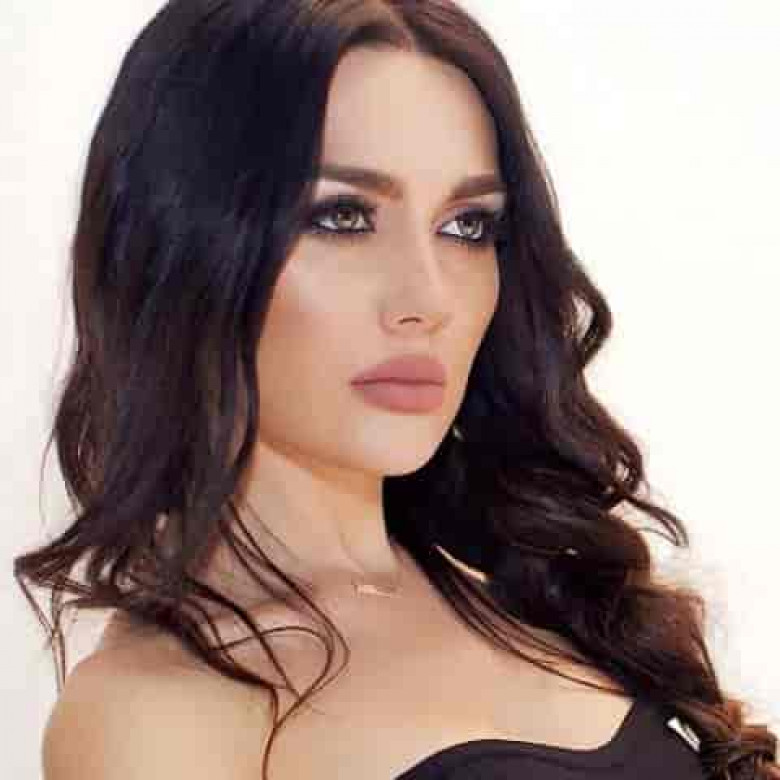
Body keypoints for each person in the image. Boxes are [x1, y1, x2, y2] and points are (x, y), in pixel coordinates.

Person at [13, 2, 778, 779]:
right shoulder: (158, 714)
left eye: (467, 226)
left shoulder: (545, 593)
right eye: (342, 216)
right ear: (180, 247)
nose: (429, 296)